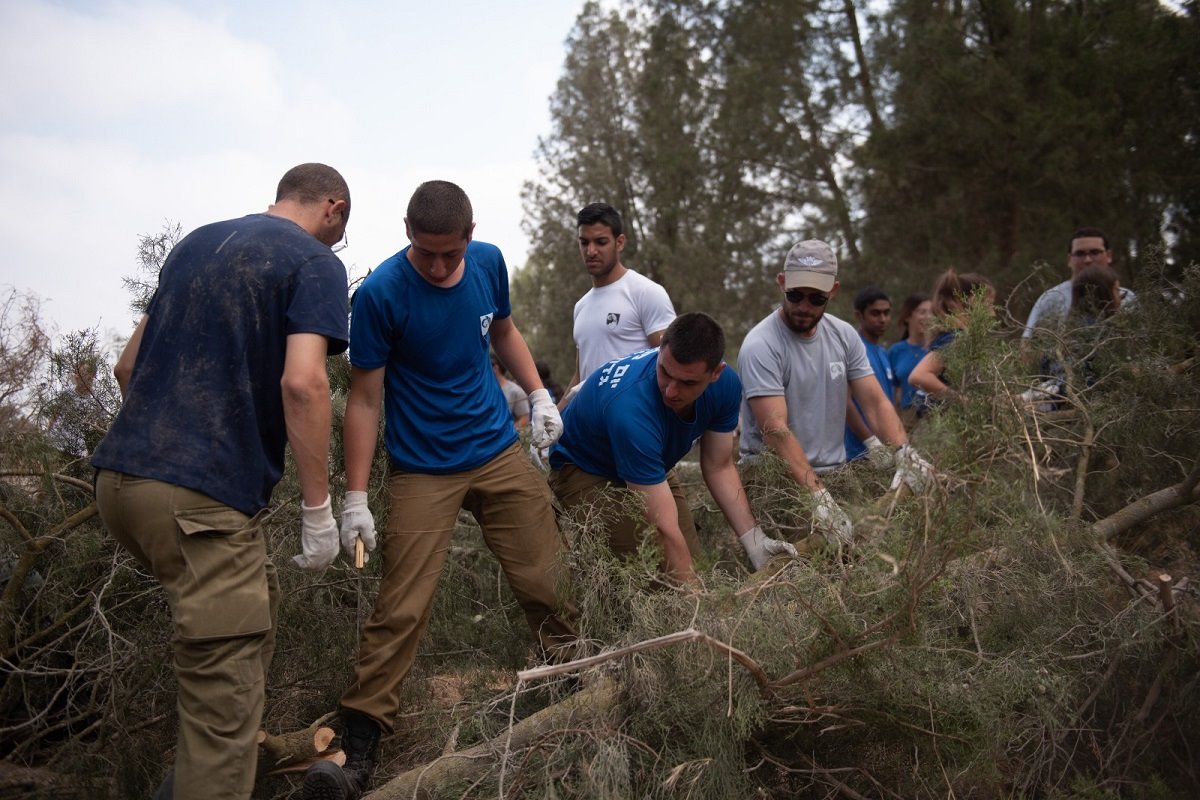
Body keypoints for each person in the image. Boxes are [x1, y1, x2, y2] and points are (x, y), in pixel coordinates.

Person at [303, 180, 577, 800]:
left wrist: (536, 393)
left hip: (497, 450)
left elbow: (503, 332)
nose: (437, 264)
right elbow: (366, 400)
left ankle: (582, 680)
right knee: (401, 607)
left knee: (549, 579)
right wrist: (353, 499)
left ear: (470, 238)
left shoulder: (487, 264)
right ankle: (360, 744)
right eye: (425, 252)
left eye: (449, 253)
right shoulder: (379, 297)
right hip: (423, 468)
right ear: (406, 231)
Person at [90, 163, 352, 800]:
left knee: (249, 614)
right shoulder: (315, 262)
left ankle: (206, 768)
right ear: (333, 210)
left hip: (120, 485)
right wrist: (318, 512)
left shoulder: (198, 243)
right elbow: (304, 383)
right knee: (222, 693)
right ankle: (211, 774)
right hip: (196, 502)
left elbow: (128, 367)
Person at [547, 313, 797, 584]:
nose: (671, 391)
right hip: (585, 467)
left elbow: (719, 465)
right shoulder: (631, 412)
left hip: (648, 459)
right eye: (665, 372)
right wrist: (696, 609)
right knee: (650, 574)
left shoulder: (726, 387)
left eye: (688, 383)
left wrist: (754, 540)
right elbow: (664, 531)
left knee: (692, 563)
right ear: (660, 351)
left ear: (716, 373)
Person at [737, 241, 931, 547]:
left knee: (866, 554)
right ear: (782, 282)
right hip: (778, 480)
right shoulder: (762, 345)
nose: (804, 306)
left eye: (816, 298)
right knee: (807, 575)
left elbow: (875, 400)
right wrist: (816, 496)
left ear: (834, 291)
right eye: (795, 295)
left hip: (836, 472)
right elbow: (774, 430)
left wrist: (902, 450)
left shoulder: (843, 336)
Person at [562, 202, 676, 405]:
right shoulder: (581, 306)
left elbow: (671, 365)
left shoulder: (646, 292)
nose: (591, 251)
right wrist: (555, 416)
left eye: (601, 242)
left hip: (636, 419)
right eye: (584, 242)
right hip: (592, 427)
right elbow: (580, 376)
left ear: (620, 242)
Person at [1022, 227, 1136, 339]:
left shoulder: (1128, 298)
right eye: (1080, 254)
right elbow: (1028, 343)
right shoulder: (1052, 298)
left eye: (1095, 252)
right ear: (1069, 260)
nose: (1087, 260)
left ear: (1109, 255)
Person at [908, 270, 996, 408]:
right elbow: (919, 375)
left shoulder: (959, 337)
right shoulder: (957, 339)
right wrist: (963, 401)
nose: (993, 313)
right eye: (989, 305)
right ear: (973, 303)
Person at [844, 287, 895, 461]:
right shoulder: (853, 349)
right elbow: (845, 401)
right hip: (858, 455)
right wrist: (872, 443)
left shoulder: (883, 353)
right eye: (875, 313)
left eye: (887, 313)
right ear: (859, 316)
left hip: (886, 452)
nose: (883, 319)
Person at [887, 293, 932, 421]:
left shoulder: (938, 349)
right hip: (907, 418)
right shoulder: (896, 351)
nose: (928, 317)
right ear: (908, 317)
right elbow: (894, 392)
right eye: (922, 312)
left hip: (935, 417)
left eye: (931, 313)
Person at [491, 352, 530, 427]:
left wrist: (508, 432)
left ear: (496, 368)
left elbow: (524, 418)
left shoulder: (515, 391)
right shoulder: (483, 391)